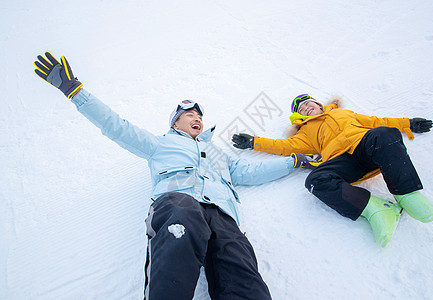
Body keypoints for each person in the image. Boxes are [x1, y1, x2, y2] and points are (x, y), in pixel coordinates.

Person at [34, 51, 298, 300]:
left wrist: (294, 161)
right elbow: (116, 126)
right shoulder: (160, 144)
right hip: (178, 201)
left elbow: (249, 171)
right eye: (189, 115)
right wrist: (75, 93)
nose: (197, 119)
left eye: (199, 117)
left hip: (221, 213)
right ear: (175, 123)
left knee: (239, 263)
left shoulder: (214, 152)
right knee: (180, 224)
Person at [232, 93, 433, 248]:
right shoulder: (305, 132)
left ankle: (407, 194)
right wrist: (254, 142)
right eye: (301, 108)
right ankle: (376, 208)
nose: (306, 107)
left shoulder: (343, 113)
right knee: (316, 179)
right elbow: (283, 146)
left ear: (319, 104)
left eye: (308, 103)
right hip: (344, 161)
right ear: (298, 116)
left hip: (365, 145)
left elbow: (377, 122)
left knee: (384, 133)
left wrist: (408, 123)